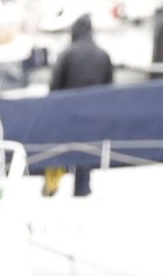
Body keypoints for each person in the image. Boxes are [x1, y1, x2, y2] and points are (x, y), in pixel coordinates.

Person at [44, 14, 113, 198]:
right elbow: (109, 88)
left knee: (59, 153)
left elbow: (54, 87)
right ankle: (82, 189)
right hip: (93, 116)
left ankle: (50, 189)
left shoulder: (67, 54)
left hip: (67, 115)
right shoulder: (103, 55)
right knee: (85, 153)